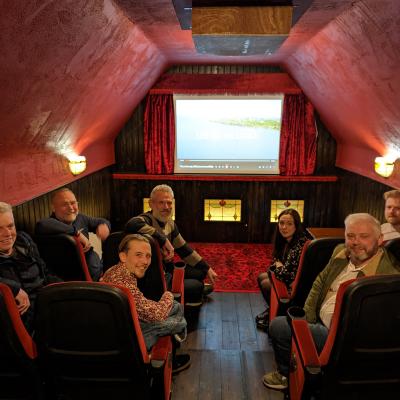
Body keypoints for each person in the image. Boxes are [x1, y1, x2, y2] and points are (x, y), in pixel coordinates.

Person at [262, 213, 400, 391]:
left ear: (380, 239)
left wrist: (311, 333)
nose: (355, 242)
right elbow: (319, 283)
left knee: (278, 327)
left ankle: (285, 375)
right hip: (319, 319)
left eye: (364, 236)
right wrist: (307, 318)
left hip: (337, 337)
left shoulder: (387, 278)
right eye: (350, 236)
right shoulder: (341, 253)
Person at [101, 234, 190, 373]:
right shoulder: (124, 284)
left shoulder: (114, 270)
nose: (145, 261)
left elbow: (142, 307)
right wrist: (168, 295)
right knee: (177, 314)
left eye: (148, 256)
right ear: (123, 256)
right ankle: (174, 337)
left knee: (174, 308)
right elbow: (157, 315)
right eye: (138, 255)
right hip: (125, 342)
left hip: (118, 328)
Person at [125, 184, 218, 306]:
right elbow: (131, 224)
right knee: (196, 285)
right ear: (151, 204)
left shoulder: (170, 223)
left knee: (201, 272)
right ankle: (192, 291)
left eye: (169, 203)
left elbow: (184, 249)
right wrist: (163, 239)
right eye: (161, 203)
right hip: (155, 278)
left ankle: (192, 290)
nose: (166, 207)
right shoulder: (146, 219)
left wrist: (207, 267)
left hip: (167, 270)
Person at [0, 202, 62, 334]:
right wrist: (13, 288)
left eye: (10, 226)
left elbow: (44, 271)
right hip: (30, 322)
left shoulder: (23, 240)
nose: (7, 234)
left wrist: (64, 288)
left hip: (49, 301)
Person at [35, 187, 111, 281]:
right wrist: (76, 233)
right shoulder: (49, 224)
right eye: (64, 204)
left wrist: (104, 225)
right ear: (54, 208)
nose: (71, 208)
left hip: (100, 272)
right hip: (78, 282)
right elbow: (41, 224)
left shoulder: (80, 218)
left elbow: (101, 221)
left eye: (73, 203)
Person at [255, 208, 310, 330]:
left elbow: (284, 274)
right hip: (288, 277)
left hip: (297, 287)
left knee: (265, 283)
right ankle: (272, 309)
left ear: (296, 225)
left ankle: (280, 312)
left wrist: (277, 268)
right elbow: (275, 263)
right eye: (281, 223)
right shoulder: (285, 240)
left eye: (289, 224)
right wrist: (277, 267)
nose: (284, 227)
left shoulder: (299, 244)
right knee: (261, 276)